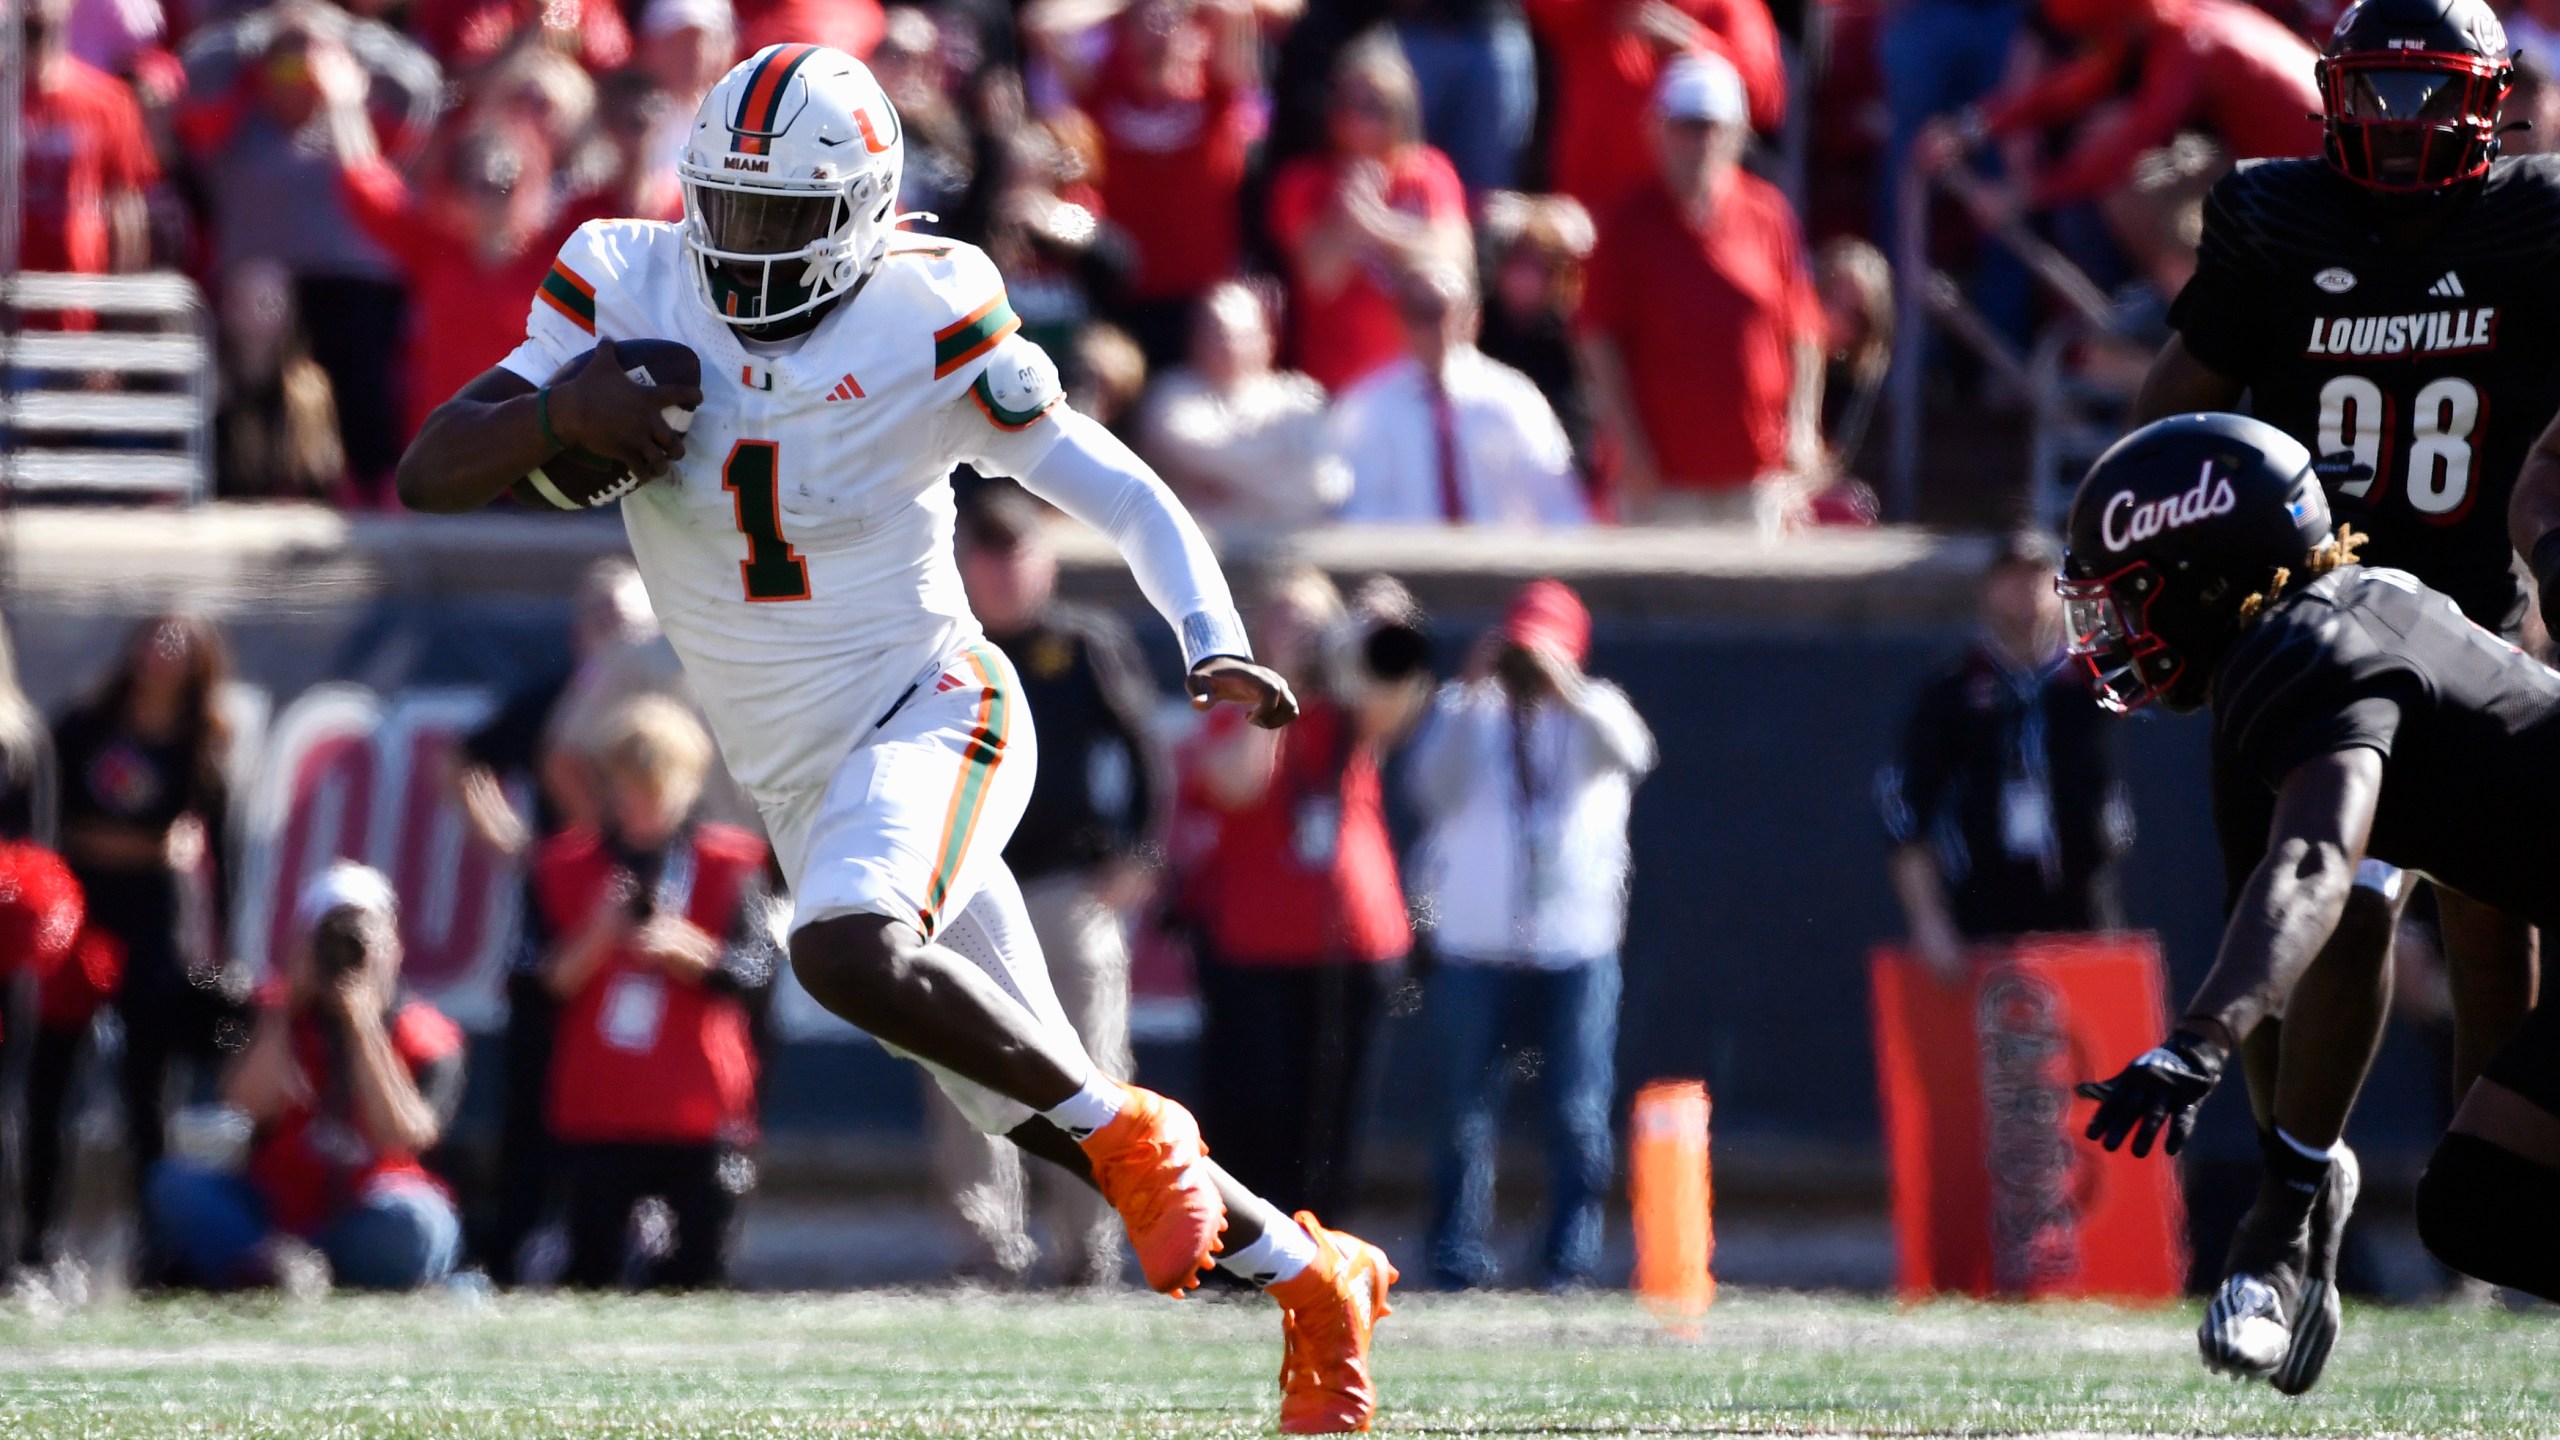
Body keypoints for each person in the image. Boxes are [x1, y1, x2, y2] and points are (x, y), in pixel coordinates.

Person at [393, 44, 1395, 1433]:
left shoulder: (924, 307)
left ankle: (1142, 1139)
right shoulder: (626, 275)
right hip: (803, 777)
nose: (744, 251)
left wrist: (1209, 629)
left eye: (782, 221)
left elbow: (1100, 475)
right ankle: (1311, 1277)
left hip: (933, 710)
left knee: (848, 951)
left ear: (862, 214)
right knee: (1039, 1102)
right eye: (728, 211)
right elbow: (430, 472)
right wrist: (564, 411)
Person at [2132, 0, 2552, 1356]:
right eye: (2374, 90)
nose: (2395, 123)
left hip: (2477, 618)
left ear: (2487, 105)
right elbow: (2176, 408)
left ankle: (2497, 1209)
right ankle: (2299, 1177)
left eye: (2427, 98)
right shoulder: (2271, 215)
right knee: (2310, 905)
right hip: (2306, 620)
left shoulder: (2538, 221)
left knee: (2491, 910)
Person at [2059, 412, 2560, 1388]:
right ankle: (2288, 1221)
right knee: (2479, 1197)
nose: (2108, 628)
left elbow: (2314, 863)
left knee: (2484, 1201)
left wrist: (2195, 1038)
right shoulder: (2354, 608)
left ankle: (2284, 1224)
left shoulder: (2303, 654)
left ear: (2203, 578)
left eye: (2125, 597)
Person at [933, 482, 1162, 1286]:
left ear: (1046, 559)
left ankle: (1087, 1250)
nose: (999, 569)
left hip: (1068, 887)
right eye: (984, 552)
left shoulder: (1085, 644)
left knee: (1088, 1068)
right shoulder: (941, 652)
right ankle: (987, 1246)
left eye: (1014, 550)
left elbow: (1147, 753)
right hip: (963, 885)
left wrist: (1144, 858)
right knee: (965, 1064)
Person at [1404, 579, 1653, 1289]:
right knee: (1461, 1111)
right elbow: (1431, 788)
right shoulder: (1466, 712)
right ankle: (1455, 1256)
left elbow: (1633, 756)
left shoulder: (1597, 708)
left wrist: (1565, 684)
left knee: (1577, 1112)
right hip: (1474, 945)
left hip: (1574, 946)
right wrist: (1469, 687)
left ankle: (1566, 1259)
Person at [1183, 569, 1420, 1221]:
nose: (1301, 632)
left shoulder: (1348, 704)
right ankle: (1247, 1253)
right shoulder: (1233, 702)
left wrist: (1385, 631)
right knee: (1253, 1109)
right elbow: (1237, 784)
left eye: (1313, 620)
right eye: (1284, 618)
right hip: (1252, 944)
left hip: (1352, 943)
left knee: (1332, 1120)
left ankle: (1322, 1257)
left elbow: (1394, 702)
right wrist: (1277, 683)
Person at [453, 557, 659, 1285]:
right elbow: (470, 759)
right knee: (536, 1078)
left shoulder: (671, 705)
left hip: (650, 931)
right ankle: (516, 1240)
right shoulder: (553, 702)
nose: (612, 634)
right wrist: (512, 841)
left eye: (627, 620)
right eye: (599, 617)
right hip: (563, 917)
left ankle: (650, 1239)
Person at [536, 698, 777, 1291]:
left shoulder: (731, 864)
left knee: (698, 1273)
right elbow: (537, 984)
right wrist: (598, 935)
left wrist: (689, 950)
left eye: (654, 791)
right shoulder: (566, 865)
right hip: (601, 1101)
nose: (639, 809)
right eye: (627, 791)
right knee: (590, 1270)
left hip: (699, 1104)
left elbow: (755, 973)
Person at [26, 614, 236, 1270]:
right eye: (152, 640)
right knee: (51, 1074)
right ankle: (37, 1239)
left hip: (152, 913)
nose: (160, 656)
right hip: (80, 907)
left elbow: (220, 851)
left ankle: (157, 1241)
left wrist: (220, 944)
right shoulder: (85, 726)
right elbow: (44, 821)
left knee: (149, 1082)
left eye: (177, 645)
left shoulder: (200, 742)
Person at [144, 863, 465, 1291]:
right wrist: (285, 1005)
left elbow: (404, 1135)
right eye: (329, 937)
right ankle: (270, 1267)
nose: (344, 954)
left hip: (369, 1212)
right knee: (175, 1185)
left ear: (394, 946)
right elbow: (245, 1106)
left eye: (360, 939)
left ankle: (295, 1272)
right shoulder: (267, 1014)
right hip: (279, 1215)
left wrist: (362, 1022)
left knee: (420, 1222)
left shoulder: (427, 1033)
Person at [175, 0, 443, 498]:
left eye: (310, 56)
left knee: (357, 344)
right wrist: (257, 33)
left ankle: (375, 479)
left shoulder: (354, 128)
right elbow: (189, 72)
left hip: (352, 282)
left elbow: (422, 89)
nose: (298, 68)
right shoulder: (237, 128)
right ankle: (243, 476)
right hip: (261, 284)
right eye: (286, 56)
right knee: (254, 311)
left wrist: (342, 36)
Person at [1579, 52, 1824, 524]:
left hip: (1754, 475)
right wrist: (1629, 446)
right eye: (1684, 126)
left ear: (1736, 135)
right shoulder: (1630, 223)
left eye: (1709, 127)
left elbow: (1804, 329)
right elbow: (1599, 339)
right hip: (1660, 480)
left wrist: (1802, 425)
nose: (1696, 142)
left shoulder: (1768, 214)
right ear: (1656, 129)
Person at [1878, 531, 2130, 982]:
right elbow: (1905, 810)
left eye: (2038, 579)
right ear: (1988, 591)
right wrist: (1929, 922)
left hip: (2080, 893)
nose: (2026, 592)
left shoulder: (2090, 681)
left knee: (2096, 1038)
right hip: (1985, 897)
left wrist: (2089, 602)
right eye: (2012, 579)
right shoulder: (1954, 687)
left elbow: (2140, 669)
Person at [1915, 0, 2322, 223]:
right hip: (2292, 168)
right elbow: (2070, 90)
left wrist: (2030, 193)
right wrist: (1975, 125)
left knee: (2131, 194)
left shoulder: (2187, 42)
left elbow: (2131, 143)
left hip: (2318, 178)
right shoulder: (2174, 19)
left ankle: (2209, 329)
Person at [1030, 0, 1262, 366]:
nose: (1159, 31)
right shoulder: (1103, 89)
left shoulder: (1214, 92)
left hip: (1199, 297)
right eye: (1145, 22)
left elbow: (1234, 11)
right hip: (1122, 291)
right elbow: (1045, 25)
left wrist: (1179, 7)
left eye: (1171, 21)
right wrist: (1127, 6)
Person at [1265, 32, 1473, 393]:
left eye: (1373, 107)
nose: (1357, 119)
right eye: (1346, 104)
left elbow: (1452, 265)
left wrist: (1375, 221)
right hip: (1334, 386)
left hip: (1420, 385)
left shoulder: (1430, 172)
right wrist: (1346, 215)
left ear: (1401, 112)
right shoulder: (1303, 180)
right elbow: (1319, 277)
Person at [1331, 264, 1587, 526]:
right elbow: (1352, 508)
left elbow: (1559, 502)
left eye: (1443, 311)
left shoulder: (1512, 398)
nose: (1434, 327)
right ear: (1399, 321)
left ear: (1472, 318)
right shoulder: (1367, 406)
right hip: (1401, 562)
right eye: (1420, 312)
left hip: (1497, 560)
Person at [1526, 0, 1784, 221]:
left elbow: (1766, 100)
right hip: (1594, 211)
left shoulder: (1726, 6)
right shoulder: (1596, 10)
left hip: (1692, 219)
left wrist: (1692, 44)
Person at [1134, 281, 1350, 537]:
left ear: (1267, 339)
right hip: (1201, 548)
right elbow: (1193, 452)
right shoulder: (1170, 395)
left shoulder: (1300, 399)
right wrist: (1279, 468)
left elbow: (1320, 488)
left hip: (1286, 551)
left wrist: (1227, 485)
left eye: (1241, 336)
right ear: (1195, 338)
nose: (1229, 346)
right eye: (1218, 335)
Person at [18, 0, 158, 279]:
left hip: (78, 293)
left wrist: (122, 299)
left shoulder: (109, 102)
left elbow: (124, 206)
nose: (37, 6)